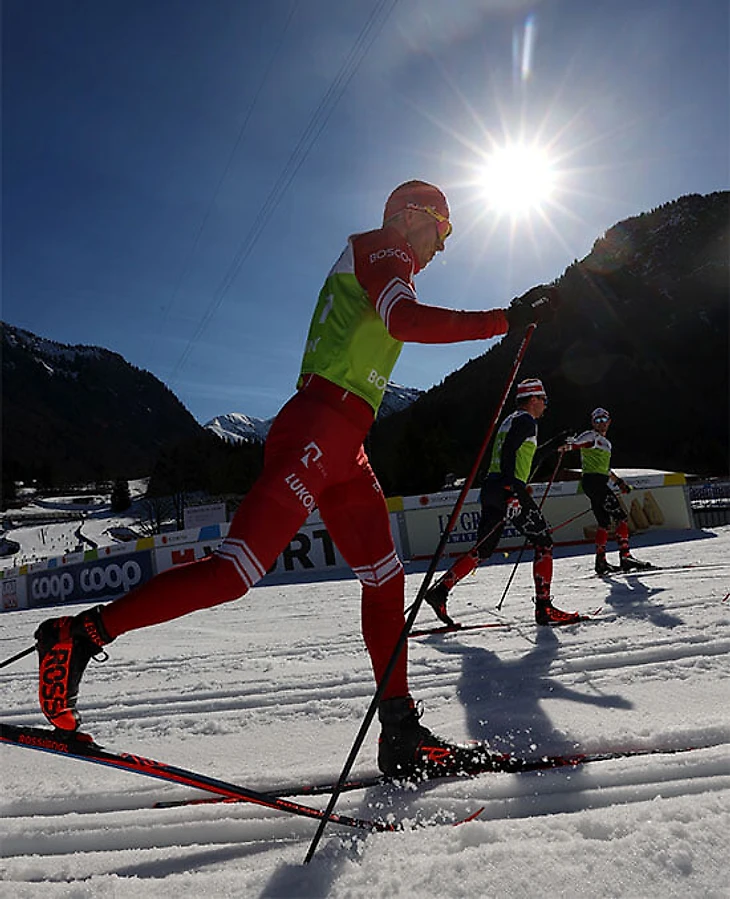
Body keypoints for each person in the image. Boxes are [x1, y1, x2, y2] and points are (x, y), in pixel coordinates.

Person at [34, 180, 559, 780]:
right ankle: (80, 634)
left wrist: (509, 318)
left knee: (386, 580)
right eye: (442, 231)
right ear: (413, 217)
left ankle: (401, 732)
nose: (441, 248)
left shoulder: (388, 254)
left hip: (345, 443)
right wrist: (504, 320)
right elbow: (403, 319)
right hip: (319, 426)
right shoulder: (384, 246)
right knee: (236, 573)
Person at [424, 378, 583, 627]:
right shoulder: (526, 421)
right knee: (544, 542)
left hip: (491, 488)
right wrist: (512, 492)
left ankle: (440, 591)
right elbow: (510, 452)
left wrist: (555, 445)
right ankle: (544, 608)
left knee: (483, 549)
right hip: (509, 488)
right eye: (544, 400)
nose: (545, 406)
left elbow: (525, 458)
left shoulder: (512, 421)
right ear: (533, 400)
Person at [564, 407, 651, 574]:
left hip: (596, 482)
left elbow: (605, 469)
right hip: (594, 482)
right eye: (597, 420)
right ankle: (625, 557)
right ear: (592, 423)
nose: (601, 423)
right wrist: (568, 445)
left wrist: (619, 482)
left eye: (604, 420)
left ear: (609, 421)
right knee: (621, 516)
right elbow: (576, 444)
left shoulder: (606, 443)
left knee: (604, 523)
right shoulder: (591, 435)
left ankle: (601, 561)